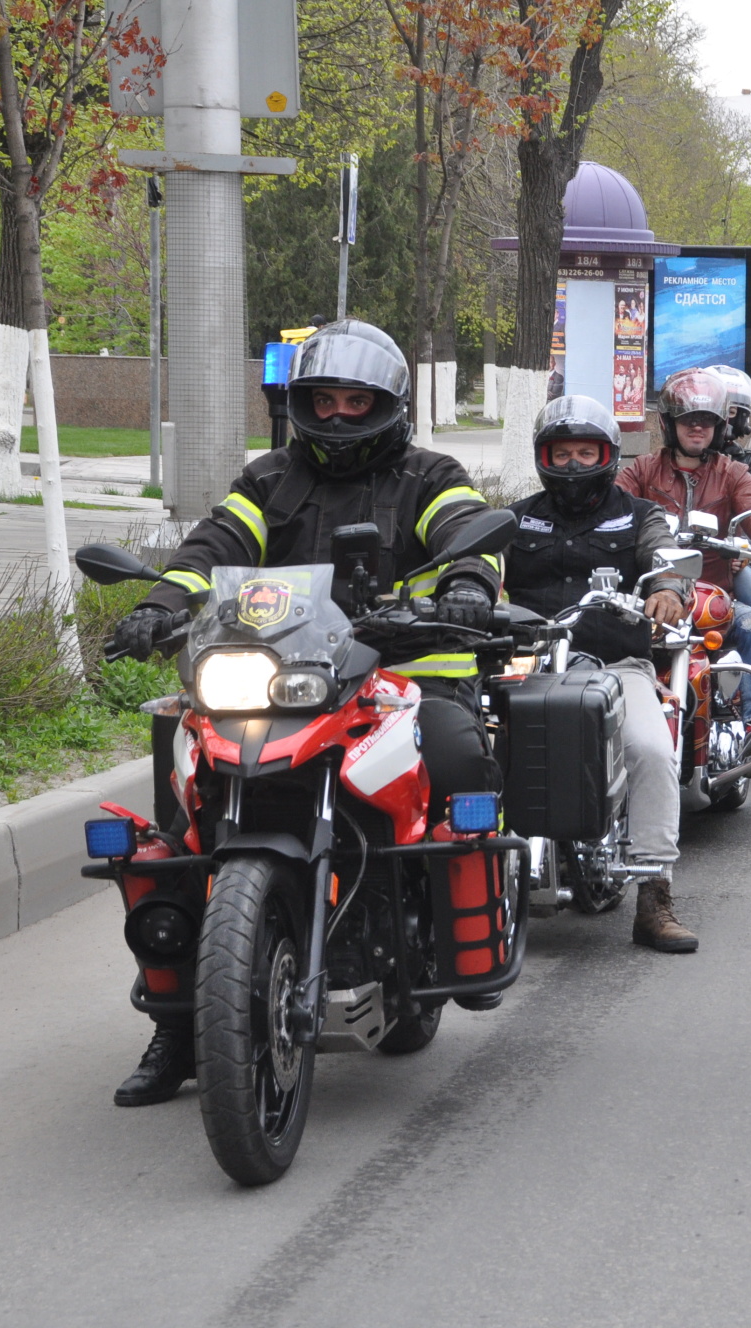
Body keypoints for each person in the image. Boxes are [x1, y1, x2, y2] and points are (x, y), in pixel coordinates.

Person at [103, 319, 502, 1107]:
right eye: (327, 399)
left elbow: (468, 535)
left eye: (360, 400)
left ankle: (462, 945)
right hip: (288, 681)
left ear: (390, 404)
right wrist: (157, 605)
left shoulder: (430, 473)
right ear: (300, 402)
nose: (343, 415)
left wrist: (468, 586)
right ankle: (178, 1027)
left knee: (458, 756)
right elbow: (210, 548)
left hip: (407, 673)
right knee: (179, 811)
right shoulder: (270, 479)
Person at [504, 394, 699, 953]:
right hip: (529, 665)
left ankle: (655, 893)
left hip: (618, 666)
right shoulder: (515, 519)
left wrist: (667, 587)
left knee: (652, 749)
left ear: (607, 455)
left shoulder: (639, 515)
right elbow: (482, 565)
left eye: (584, 453)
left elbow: (665, 555)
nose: (571, 465)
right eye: (560, 453)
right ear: (543, 456)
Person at [620, 367, 751, 741]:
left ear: (719, 426)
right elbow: (616, 501)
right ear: (669, 423)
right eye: (688, 420)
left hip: (713, 594)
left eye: (706, 421)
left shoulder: (733, 472)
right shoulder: (643, 470)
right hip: (653, 594)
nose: (697, 428)